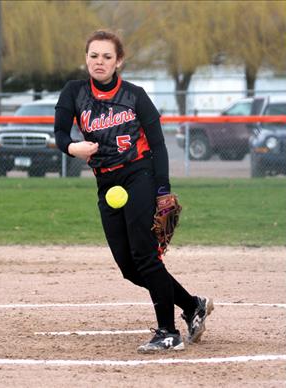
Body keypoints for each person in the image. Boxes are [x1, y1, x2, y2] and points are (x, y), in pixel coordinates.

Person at [54, 30, 214, 353]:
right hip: (106, 183)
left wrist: (162, 190)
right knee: (130, 267)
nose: (99, 62)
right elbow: (59, 132)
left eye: (107, 56)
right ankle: (192, 304)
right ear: (86, 58)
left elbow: (157, 144)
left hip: (139, 174)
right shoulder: (74, 92)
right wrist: (74, 148)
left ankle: (168, 333)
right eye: (94, 55)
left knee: (145, 255)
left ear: (119, 61)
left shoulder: (135, 95)